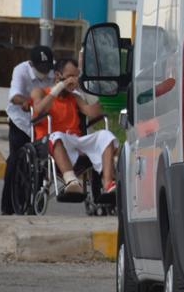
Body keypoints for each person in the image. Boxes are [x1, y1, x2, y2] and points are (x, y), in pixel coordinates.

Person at [30, 58, 120, 195]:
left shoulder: (75, 97)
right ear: (58, 75)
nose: (74, 80)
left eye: (76, 76)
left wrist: (93, 91)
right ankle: (71, 180)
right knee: (57, 136)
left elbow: (92, 112)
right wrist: (60, 86)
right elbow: (39, 110)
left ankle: (108, 182)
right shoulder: (40, 92)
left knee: (106, 136)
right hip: (49, 141)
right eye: (70, 76)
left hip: (75, 141)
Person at [1, 45, 55, 214]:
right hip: (21, 121)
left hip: (43, 121)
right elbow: (14, 95)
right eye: (41, 69)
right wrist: (25, 101)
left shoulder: (54, 72)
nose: (45, 72)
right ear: (32, 64)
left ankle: (36, 202)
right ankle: (8, 206)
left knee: (40, 160)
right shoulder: (21, 71)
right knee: (15, 159)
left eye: (47, 68)